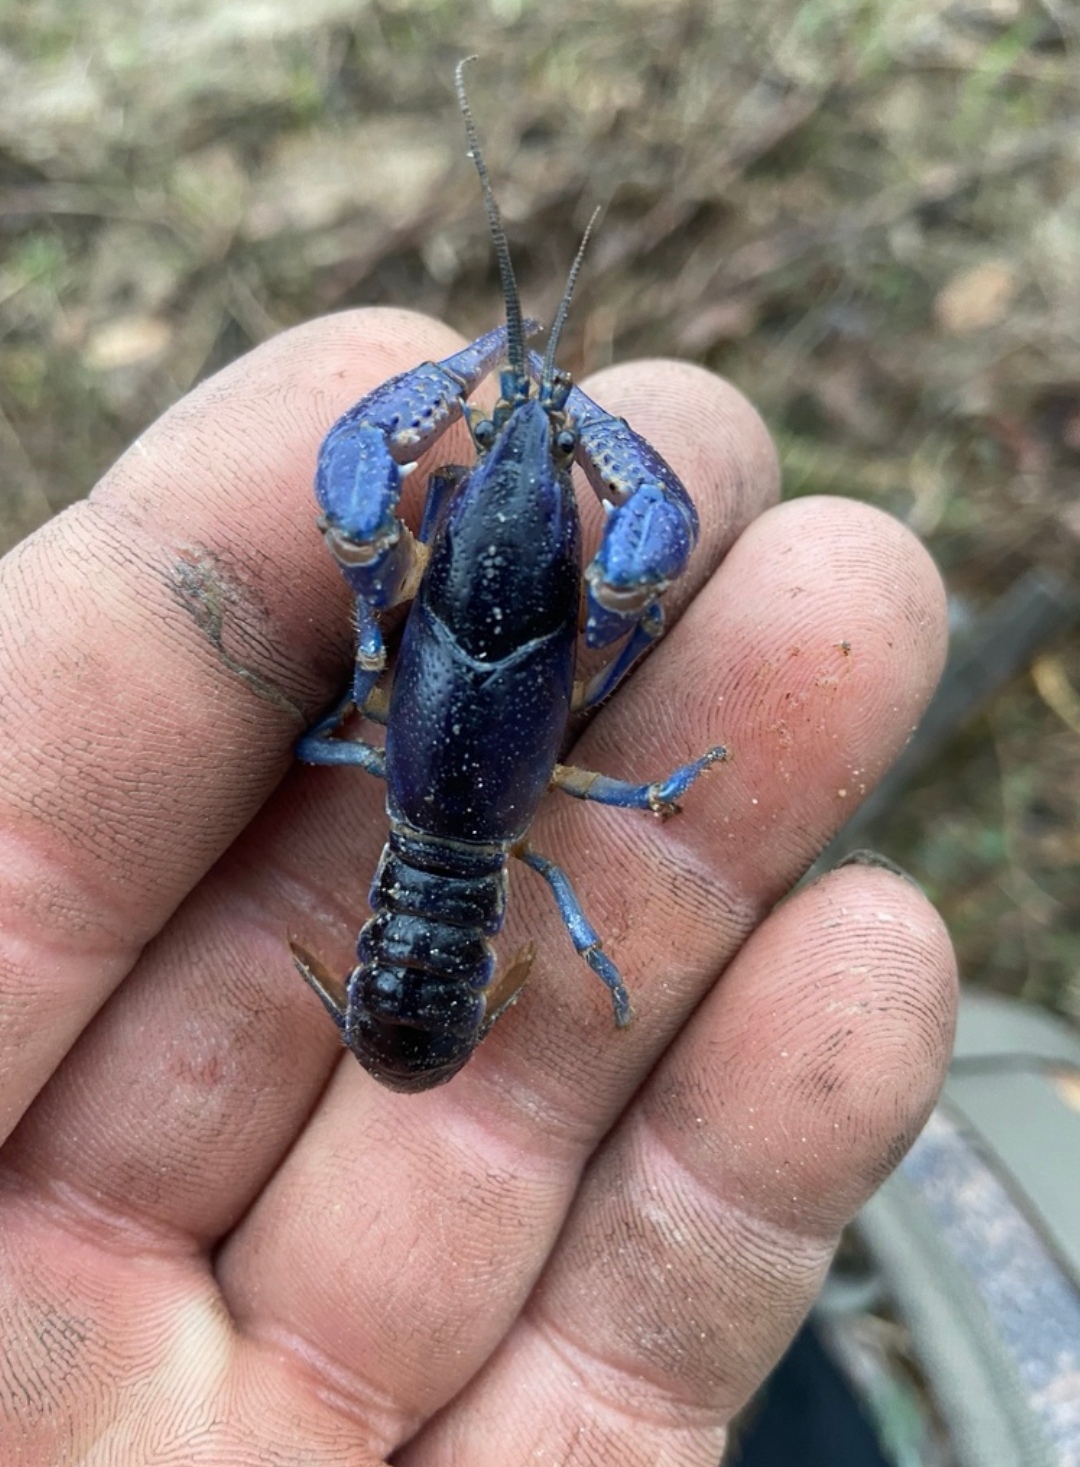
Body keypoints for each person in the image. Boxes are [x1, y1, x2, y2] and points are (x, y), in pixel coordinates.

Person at [0, 307, 956, 1465]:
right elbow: (644, 556)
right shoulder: (578, 636)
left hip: (423, 859)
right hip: (456, 873)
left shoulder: (404, 607)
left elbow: (349, 585)